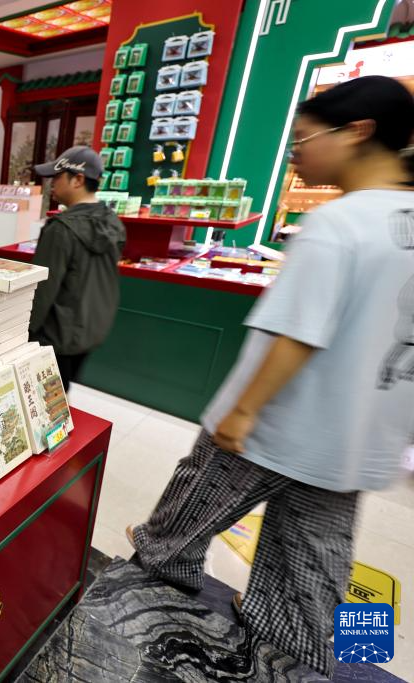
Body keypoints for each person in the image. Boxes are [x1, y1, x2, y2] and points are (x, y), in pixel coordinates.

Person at [127, 75, 414, 677]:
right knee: (314, 557)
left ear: (357, 132)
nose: (295, 154)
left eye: (303, 139)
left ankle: (144, 605)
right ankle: (296, 649)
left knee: (181, 521)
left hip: (276, 419)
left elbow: (298, 333)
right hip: (355, 439)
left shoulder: (339, 223)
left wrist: (243, 410)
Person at [28, 146, 126, 388]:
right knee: (62, 388)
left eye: (57, 177)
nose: (52, 184)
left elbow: (42, 290)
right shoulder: (112, 221)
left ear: (78, 180)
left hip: (55, 334)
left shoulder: (60, 230)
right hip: (91, 328)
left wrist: (23, 332)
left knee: (47, 395)